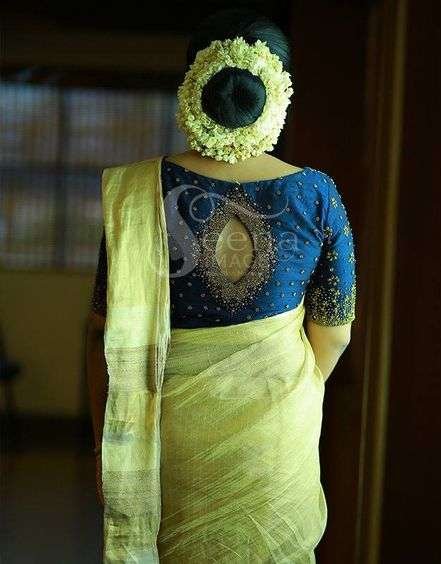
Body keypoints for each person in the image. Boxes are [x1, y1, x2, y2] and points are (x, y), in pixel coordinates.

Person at [85, 7, 356, 563]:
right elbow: (334, 335)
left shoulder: (139, 191)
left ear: (194, 82)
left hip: (162, 440)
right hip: (274, 441)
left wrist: (102, 447)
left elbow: (101, 336)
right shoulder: (315, 194)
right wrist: (275, 390)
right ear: (278, 92)